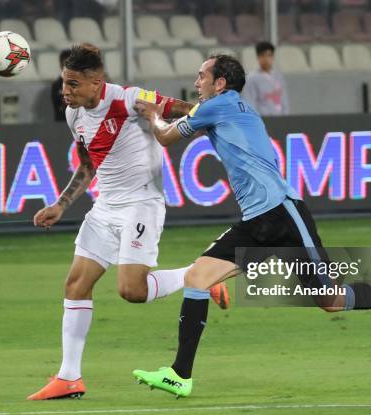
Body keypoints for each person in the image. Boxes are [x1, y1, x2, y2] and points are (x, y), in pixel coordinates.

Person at [131, 54, 371, 398]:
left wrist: (155, 115)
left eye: (202, 75)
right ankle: (180, 375)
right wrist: (170, 108)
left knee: (330, 300)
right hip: (256, 221)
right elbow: (192, 110)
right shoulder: (228, 105)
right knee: (197, 277)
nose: (196, 80)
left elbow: (165, 137)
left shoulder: (218, 106)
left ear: (220, 83)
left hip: (283, 214)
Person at [27, 44, 229, 401]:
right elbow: (89, 164)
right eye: (64, 83)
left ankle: (200, 275)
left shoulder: (131, 98)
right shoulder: (75, 116)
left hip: (141, 205)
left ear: (97, 81)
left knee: (132, 291)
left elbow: (191, 111)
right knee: (75, 284)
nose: (65, 92)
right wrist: (61, 204)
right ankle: (69, 377)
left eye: (73, 84)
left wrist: (195, 122)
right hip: (105, 208)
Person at [242, 41, 290, 116]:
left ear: (273, 57)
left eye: (269, 55)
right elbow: (250, 102)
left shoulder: (279, 76)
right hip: (263, 120)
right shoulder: (252, 78)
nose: (266, 59)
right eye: (263, 56)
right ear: (258, 57)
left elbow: (284, 100)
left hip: (280, 119)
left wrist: (286, 118)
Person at [51, 49, 71, 121]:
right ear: (60, 65)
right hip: (61, 124)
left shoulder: (82, 84)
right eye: (64, 65)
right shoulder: (56, 85)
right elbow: (58, 107)